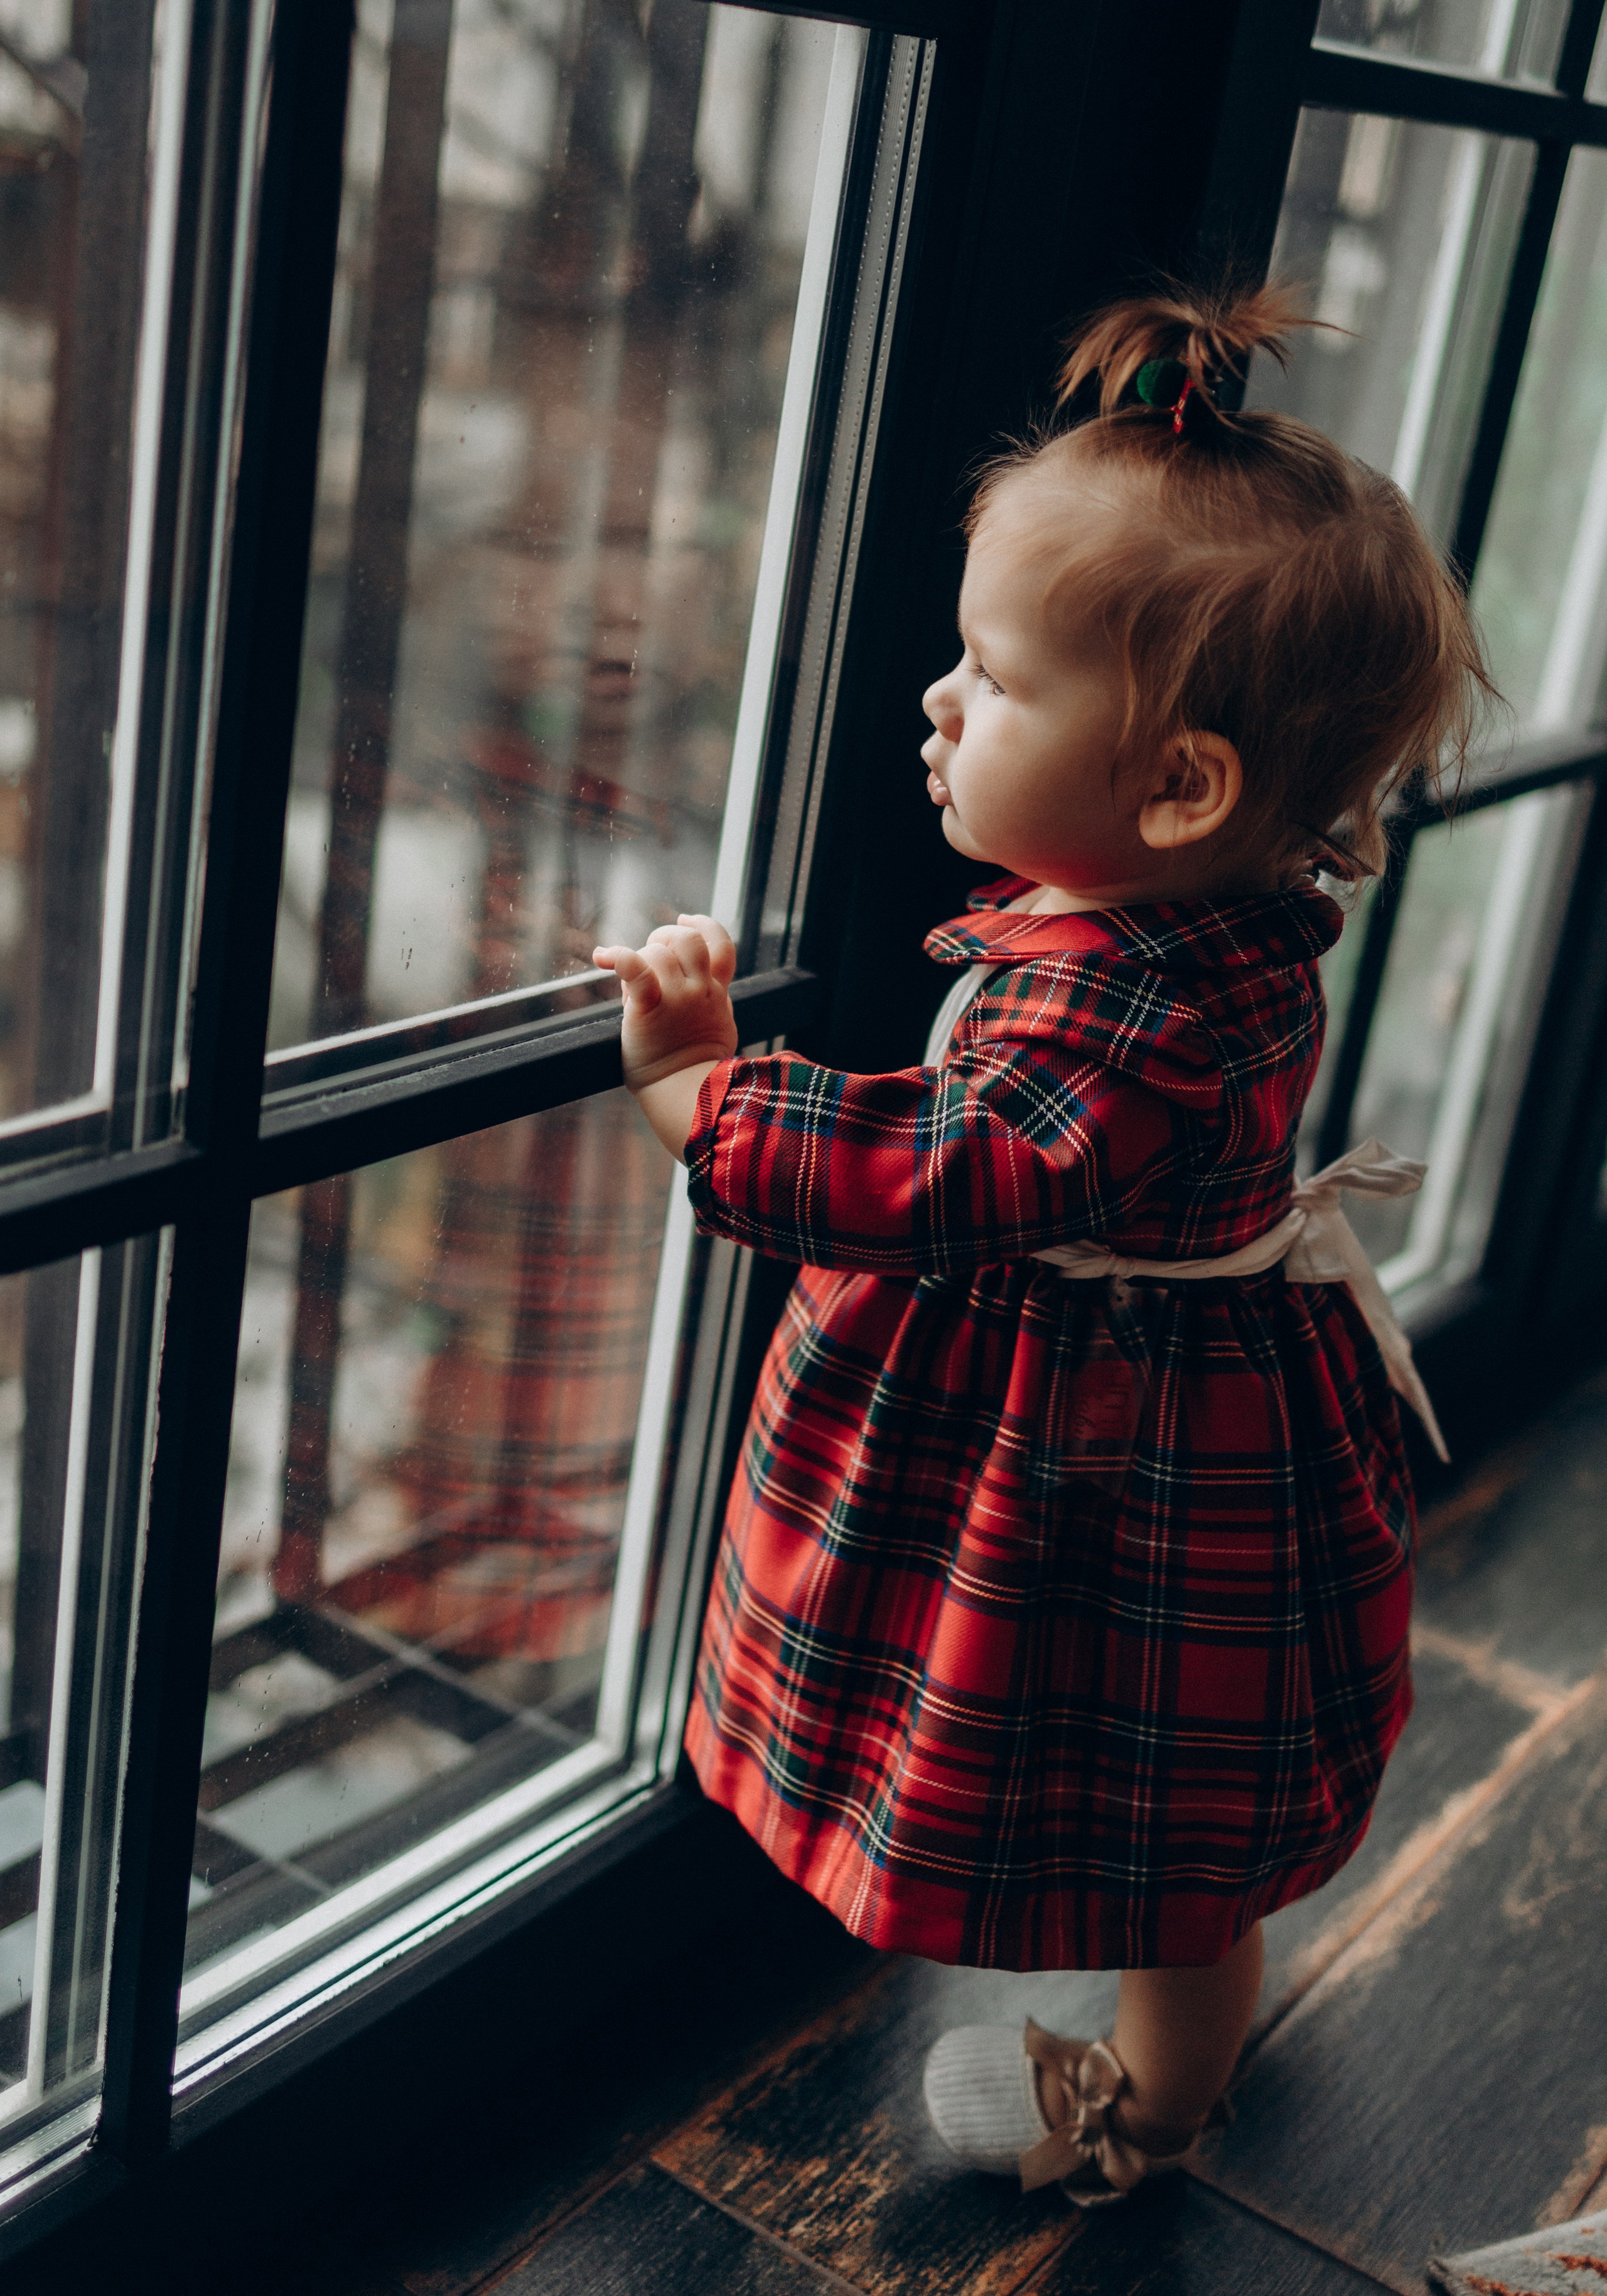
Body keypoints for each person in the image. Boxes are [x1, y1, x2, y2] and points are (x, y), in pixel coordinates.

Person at [593, 282, 1497, 2208]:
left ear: (1179, 785)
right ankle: (1169, 2078)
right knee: (1194, 1833)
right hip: (1208, 1407)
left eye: (993, 680)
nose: (939, 702)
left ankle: (1158, 2122)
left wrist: (703, 1090)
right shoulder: (1211, 923)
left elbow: (953, 1167)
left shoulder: (1123, 1001)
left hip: (1105, 1447)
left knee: (1148, 1802)